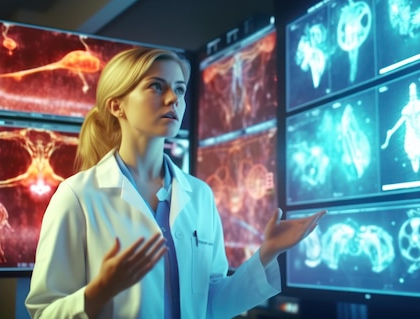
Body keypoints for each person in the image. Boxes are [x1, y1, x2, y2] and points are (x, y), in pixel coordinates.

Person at [25, 47, 326, 319]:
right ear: (117, 106)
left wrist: (268, 253)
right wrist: (100, 290)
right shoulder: (77, 196)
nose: (173, 99)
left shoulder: (199, 196)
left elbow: (212, 305)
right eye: (156, 86)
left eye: (179, 89)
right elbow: (44, 311)